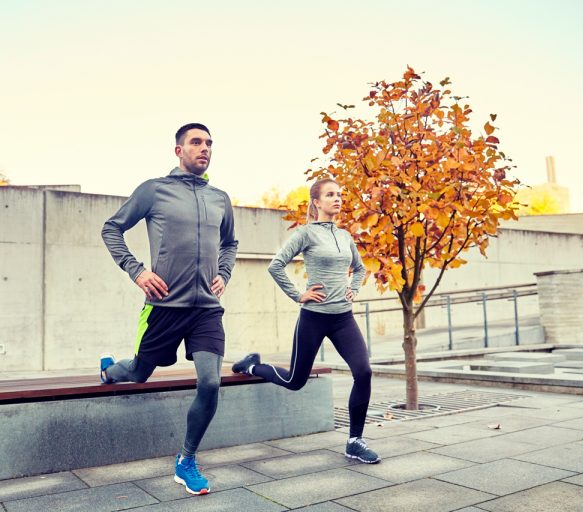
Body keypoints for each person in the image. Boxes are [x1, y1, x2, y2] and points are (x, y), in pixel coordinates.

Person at [100, 123, 238, 495]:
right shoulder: (154, 190)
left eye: (209, 142)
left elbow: (230, 244)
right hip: (163, 305)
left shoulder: (220, 199)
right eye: (196, 142)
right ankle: (110, 371)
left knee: (210, 383)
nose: (204, 148)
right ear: (179, 150)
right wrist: (138, 270)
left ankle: (186, 460)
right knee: (138, 372)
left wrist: (224, 273)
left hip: (206, 309)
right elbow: (111, 228)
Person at [232, 178, 380, 464]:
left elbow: (360, 269)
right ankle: (250, 366)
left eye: (339, 194)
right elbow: (276, 266)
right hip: (314, 318)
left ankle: (354, 441)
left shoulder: (345, 236)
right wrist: (298, 295)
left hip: (343, 318)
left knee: (363, 372)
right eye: (330, 195)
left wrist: (354, 288)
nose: (337, 199)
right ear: (316, 201)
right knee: (294, 380)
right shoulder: (305, 234)